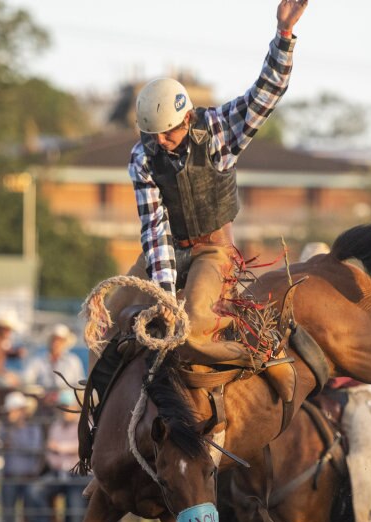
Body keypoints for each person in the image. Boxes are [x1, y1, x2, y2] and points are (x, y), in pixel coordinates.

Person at [112, 0, 309, 366]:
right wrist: (165, 296)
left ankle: (258, 356)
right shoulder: (142, 158)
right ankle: (98, 410)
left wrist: (284, 35)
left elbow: (267, 93)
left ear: (187, 118)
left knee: (196, 319)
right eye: (151, 133)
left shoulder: (218, 130)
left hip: (213, 252)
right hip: (169, 251)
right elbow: (155, 230)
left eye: (167, 132)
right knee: (112, 312)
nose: (159, 141)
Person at [27, 391, 88, 522]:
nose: (64, 411)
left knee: (74, 513)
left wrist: (60, 449)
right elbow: (49, 452)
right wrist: (62, 454)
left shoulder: (86, 424)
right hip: (58, 472)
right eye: (62, 407)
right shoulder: (56, 425)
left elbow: (83, 448)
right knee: (34, 491)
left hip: (78, 475)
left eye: (67, 407)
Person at [0, 392, 46, 522]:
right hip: (10, 478)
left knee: (33, 518)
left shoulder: (33, 429)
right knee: (8, 518)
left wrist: (13, 442)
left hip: (28, 478)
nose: (9, 414)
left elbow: (34, 449)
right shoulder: (5, 429)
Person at [23, 324, 85, 404]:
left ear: (65, 343)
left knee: (68, 399)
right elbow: (27, 379)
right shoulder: (38, 359)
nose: (56, 343)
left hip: (67, 398)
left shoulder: (73, 360)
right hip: (42, 397)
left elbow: (79, 384)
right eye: (54, 339)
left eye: (60, 340)